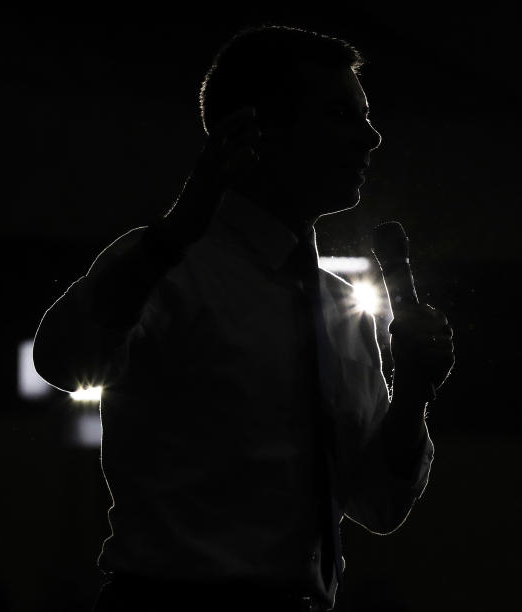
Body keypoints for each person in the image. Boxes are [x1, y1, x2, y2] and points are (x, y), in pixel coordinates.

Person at [32, 24, 455, 612]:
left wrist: (412, 396)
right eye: (340, 115)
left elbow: (380, 506)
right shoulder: (169, 266)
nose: (371, 137)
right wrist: (177, 228)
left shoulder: (338, 307)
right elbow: (63, 359)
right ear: (256, 132)